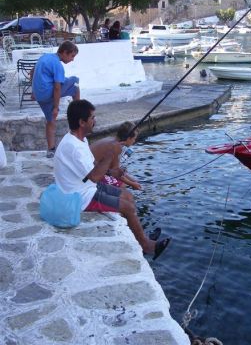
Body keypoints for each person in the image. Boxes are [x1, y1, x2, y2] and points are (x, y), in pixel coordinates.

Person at [54, 99, 171, 260]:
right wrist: (110, 154)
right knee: (127, 207)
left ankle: (140, 236)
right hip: (79, 197)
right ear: (82, 122)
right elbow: (94, 177)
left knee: (128, 197)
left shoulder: (81, 140)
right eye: (92, 118)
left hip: (86, 187)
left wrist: (111, 172)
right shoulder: (73, 147)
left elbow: (93, 168)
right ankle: (147, 246)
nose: (95, 121)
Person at [32, 40, 80, 158]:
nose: (72, 59)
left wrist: (33, 91)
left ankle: (51, 150)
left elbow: (31, 72)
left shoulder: (45, 57)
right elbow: (57, 88)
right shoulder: (58, 65)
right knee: (75, 80)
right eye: (72, 56)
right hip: (49, 94)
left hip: (40, 97)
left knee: (51, 121)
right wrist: (56, 107)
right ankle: (79, 112)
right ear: (64, 52)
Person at [90, 121, 142, 190]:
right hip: (89, 176)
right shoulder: (116, 146)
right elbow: (116, 173)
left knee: (123, 176)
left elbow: (114, 169)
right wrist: (132, 184)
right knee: (122, 186)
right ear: (129, 138)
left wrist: (134, 181)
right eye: (134, 138)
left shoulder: (111, 140)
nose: (134, 141)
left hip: (90, 170)